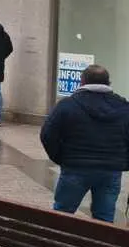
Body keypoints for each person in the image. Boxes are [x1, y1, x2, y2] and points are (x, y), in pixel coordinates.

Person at [40, 64, 129, 223]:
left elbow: (47, 134)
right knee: (104, 219)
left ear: (82, 82)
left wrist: (61, 158)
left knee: (62, 214)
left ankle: (58, 245)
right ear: (108, 83)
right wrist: (123, 162)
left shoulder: (67, 105)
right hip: (110, 171)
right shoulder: (124, 108)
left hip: (75, 168)